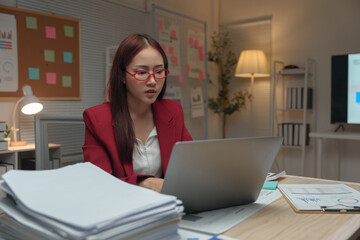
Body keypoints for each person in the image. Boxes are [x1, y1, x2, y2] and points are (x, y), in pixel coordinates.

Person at [82, 33, 192, 193]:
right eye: (141, 73)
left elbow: (191, 166)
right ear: (122, 76)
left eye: (159, 72)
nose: (152, 81)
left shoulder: (173, 111)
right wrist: (144, 183)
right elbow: (97, 183)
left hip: (168, 205)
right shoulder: (97, 119)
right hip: (123, 209)